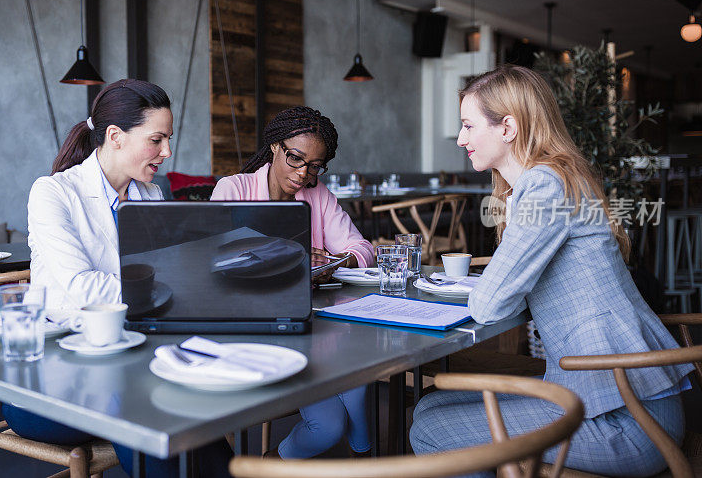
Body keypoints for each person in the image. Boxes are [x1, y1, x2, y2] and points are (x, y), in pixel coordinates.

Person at [408, 65, 693, 477]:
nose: (461, 138)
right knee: (431, 404)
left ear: (508, 127)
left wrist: (484, 286)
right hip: (624, 397)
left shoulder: (544, 185)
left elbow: (490, 304)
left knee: (433, 428)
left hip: (629, 421)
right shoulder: (554, 178)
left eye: (469, 125)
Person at [17, 79, 233, 477]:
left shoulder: (150, 195)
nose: (167, 152)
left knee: (196, 416)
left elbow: (171, 273)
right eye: (157, 139)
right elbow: (85, 289)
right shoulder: (53, 193)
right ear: (115, 136)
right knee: (149, 412)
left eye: (168, 138)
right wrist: (170, 286)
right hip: (53, 377)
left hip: (133, 356)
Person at [211, 106, 374, 459]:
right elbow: (219, 264)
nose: (304, 174)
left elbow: (362, 248)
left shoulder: (317, 194)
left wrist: (335, 261)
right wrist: (292, 256)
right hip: (255, 326)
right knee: (332, 420)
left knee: (362, 374)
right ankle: (275, 464)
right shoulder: (234, 189)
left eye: (315, 166)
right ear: (274, 147)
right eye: (296, 159)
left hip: (311, 322)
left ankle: (366, 457)